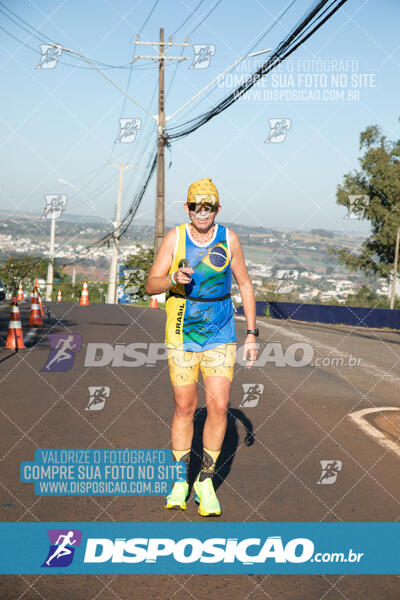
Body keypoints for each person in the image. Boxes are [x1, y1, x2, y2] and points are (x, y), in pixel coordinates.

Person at [145, 178, 258, 516]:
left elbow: (245, 284)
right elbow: (151, 285)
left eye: (208, 207)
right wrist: (171, 280)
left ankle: (204, 481)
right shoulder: (175, 237)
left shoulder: (230, 239)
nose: (202, 213)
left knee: (219, 407)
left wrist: (251, 333)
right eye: (196, 206)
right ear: (188, 208)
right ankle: (180, 481)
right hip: (181, 330)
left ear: (217, 209)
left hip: (221, 331)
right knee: (184, 406)